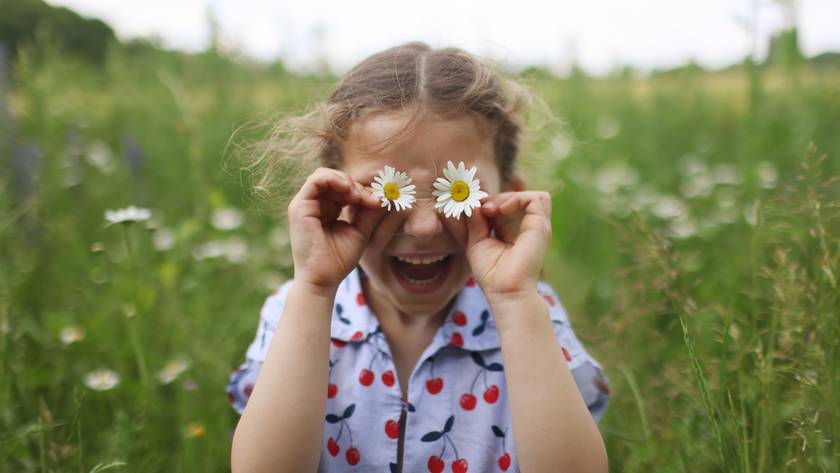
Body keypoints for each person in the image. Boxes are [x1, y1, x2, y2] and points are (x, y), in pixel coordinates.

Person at [227, 41, 611, 473]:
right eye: (387, 192)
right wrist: (314, 289)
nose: (425, 226)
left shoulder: (532, 315)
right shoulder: (295, 312)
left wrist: (514, 301)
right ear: (336, 197)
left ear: (507, 199)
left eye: (458, 190)